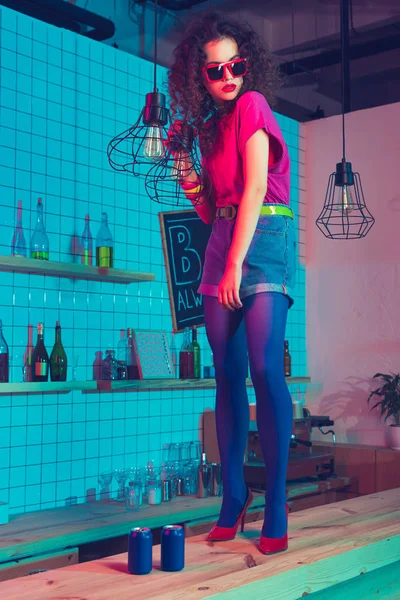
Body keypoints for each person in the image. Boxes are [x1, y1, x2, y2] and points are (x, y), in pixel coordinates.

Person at [168, 12, 296, 555]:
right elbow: (208, 208)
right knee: (225, 375)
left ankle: (277, 502)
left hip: (263, 239)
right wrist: (182, 165)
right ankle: (233, 497)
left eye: (235, 65)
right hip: (225, 238)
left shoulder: (253, 107)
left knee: (266, 367)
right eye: (215, 69)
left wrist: (238, 264)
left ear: (248, 64)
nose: (227, 77)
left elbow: (253, 193)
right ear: (199, 76)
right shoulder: (208, 128)